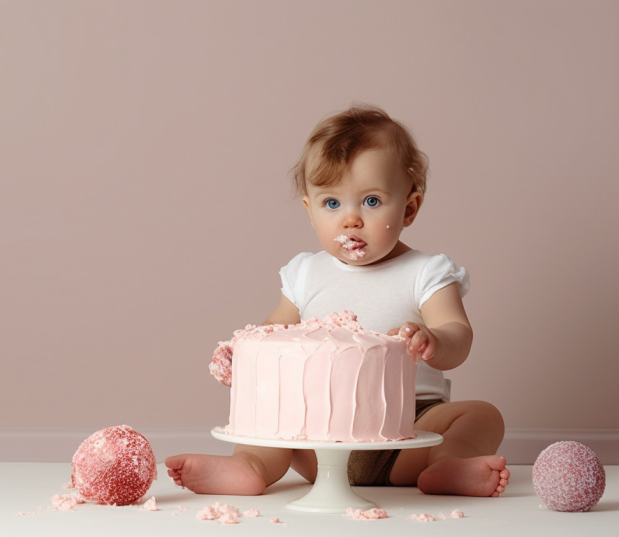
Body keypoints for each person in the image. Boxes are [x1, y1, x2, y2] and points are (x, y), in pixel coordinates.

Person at [165, 104, 509, 497]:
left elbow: (458, 334)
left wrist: (434, 339)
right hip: (318, 435)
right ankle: (249, 467)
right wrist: (240, 353)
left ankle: (447, 466)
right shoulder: (305, 273)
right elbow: (273, 332)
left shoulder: (425, 272)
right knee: (274, 422)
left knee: (481, 416)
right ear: (310, 212)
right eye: (332, 204)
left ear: (409, 208)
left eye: (372, 201)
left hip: (409, 433)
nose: (351, 219)